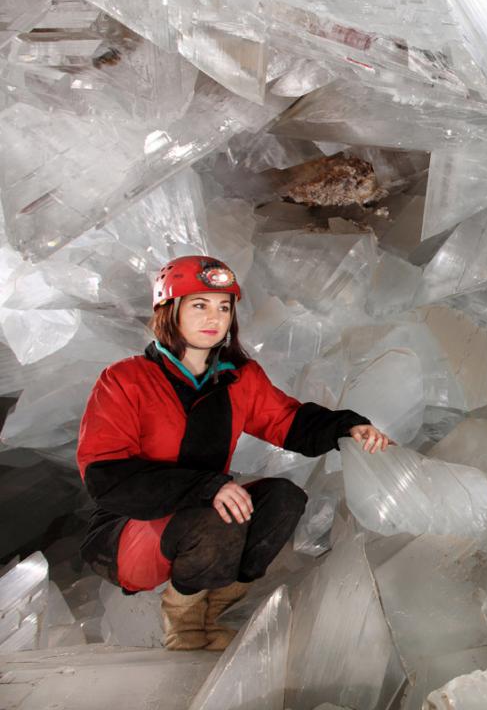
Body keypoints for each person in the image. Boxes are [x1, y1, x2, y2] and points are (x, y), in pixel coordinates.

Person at [75, 255, 393, 651]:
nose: (215, 317)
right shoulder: (125, 379)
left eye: (224, 307)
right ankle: (185, 623)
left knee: (283, 499)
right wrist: (207, 487)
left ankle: (216, 609)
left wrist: (346, 426)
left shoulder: (239, 378)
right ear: (168, 311)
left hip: (206, 511)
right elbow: (107, 475)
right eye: (199, 305)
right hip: (131, 530)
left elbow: (288, 421)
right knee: (218, 515)